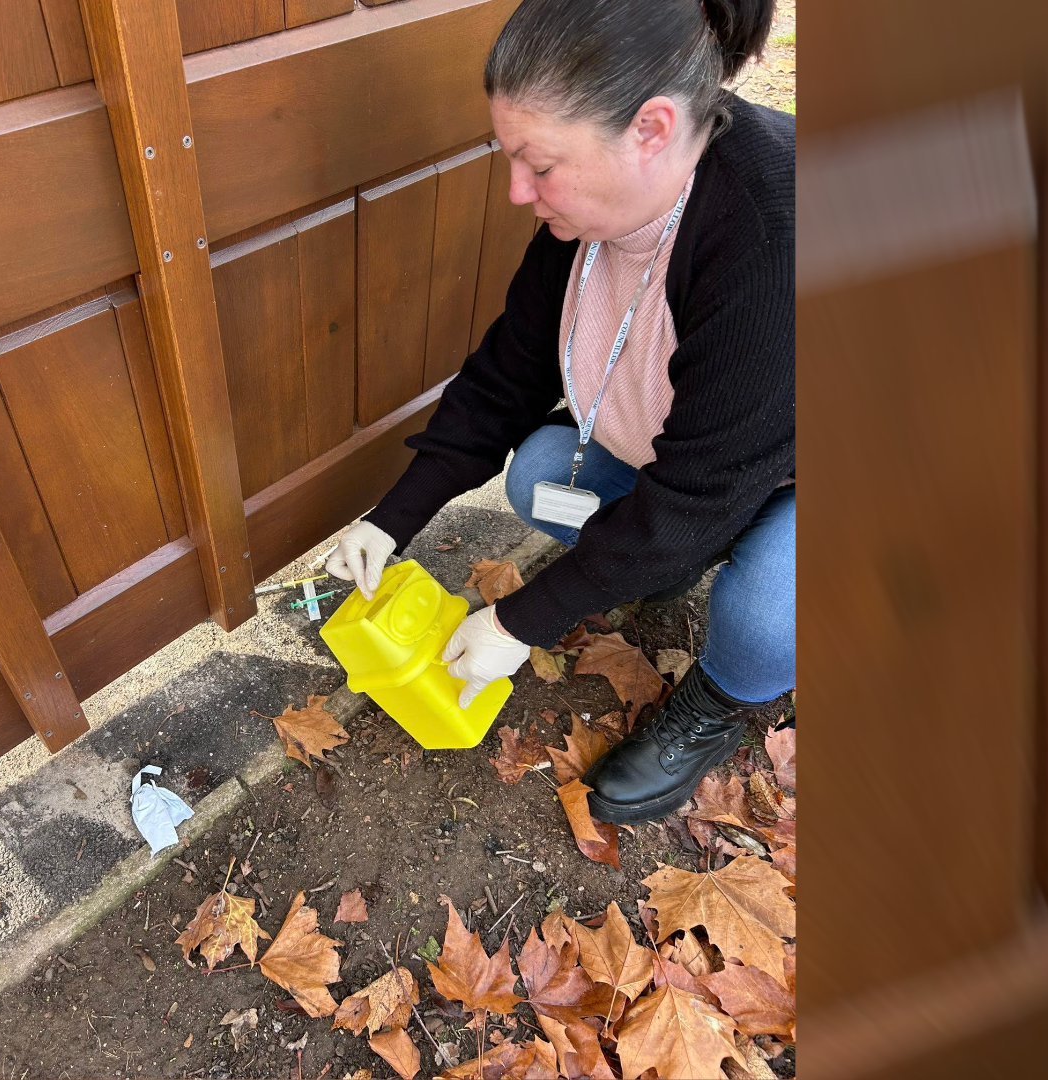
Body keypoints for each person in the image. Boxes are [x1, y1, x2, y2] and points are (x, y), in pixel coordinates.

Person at [324, 0, 794, 824]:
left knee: (763, 609)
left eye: (538, 165)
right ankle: (663, 564)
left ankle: (717, 703)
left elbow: (694, 495)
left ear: (650, 128)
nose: (517, 192)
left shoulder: (773, 242)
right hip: (711, 457)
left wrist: (519, 622)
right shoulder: (597, 209)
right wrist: (390, 519)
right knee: (544, 473)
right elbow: (508, 375)